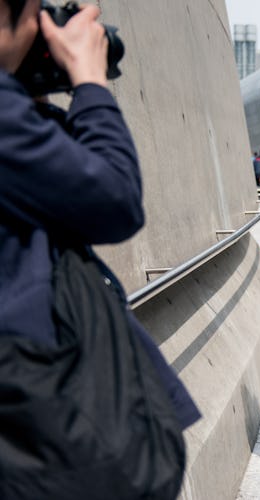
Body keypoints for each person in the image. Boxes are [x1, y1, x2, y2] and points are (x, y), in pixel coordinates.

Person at [0, 0, 199, 485]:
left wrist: (31, 99)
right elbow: (113, 201)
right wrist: (89, 82)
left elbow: (53, 182)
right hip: (42, 414)